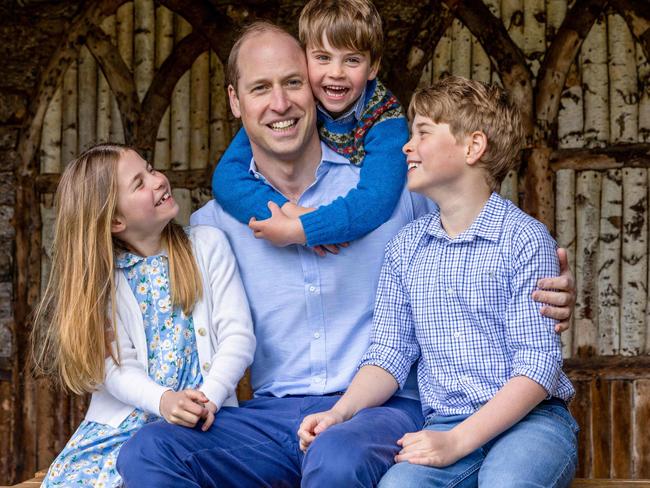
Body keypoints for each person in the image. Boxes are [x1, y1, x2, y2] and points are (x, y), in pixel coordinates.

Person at [117, 25, 576, 488]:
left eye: (293, 83)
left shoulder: (392, 194)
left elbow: (474, 231)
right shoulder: (215, 226)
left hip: (382, 410)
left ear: (316, 90)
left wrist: (553, 286)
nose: (280, 103)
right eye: (261, 88)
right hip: (272, 418)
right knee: (148, 451)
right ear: (236, 101)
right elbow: (148, 291)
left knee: (337, 458)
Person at [298, 77, 579, 488]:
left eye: (423, 133)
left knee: (507, 483)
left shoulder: (523, 240)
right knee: (398, 485)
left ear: (473, 147)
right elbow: (389, 354)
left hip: (532, 422)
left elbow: (538, 367)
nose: (406, 146)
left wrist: (457, 442)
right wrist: (339, 413)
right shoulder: (406, 247)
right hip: (446, 421)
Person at [31, 143, 255, 487]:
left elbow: (237, 336)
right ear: (116, 220)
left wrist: (208, 398)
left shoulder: (207, 246)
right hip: (120, 429)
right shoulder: (105, 281)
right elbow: (116, 367)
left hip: (204, 421)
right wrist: (163, 401)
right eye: (139, 183)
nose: (157, 181)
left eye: (150, 169)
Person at [212, 0, 407, 252]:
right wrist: (287, 210)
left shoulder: (385, 119)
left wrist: (306, 228)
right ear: (305, 60)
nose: (336, 72)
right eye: (323, 58)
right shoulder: (302, 101)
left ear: (373, 67)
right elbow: (226, 178)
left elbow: (376, 200)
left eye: (352, 60)